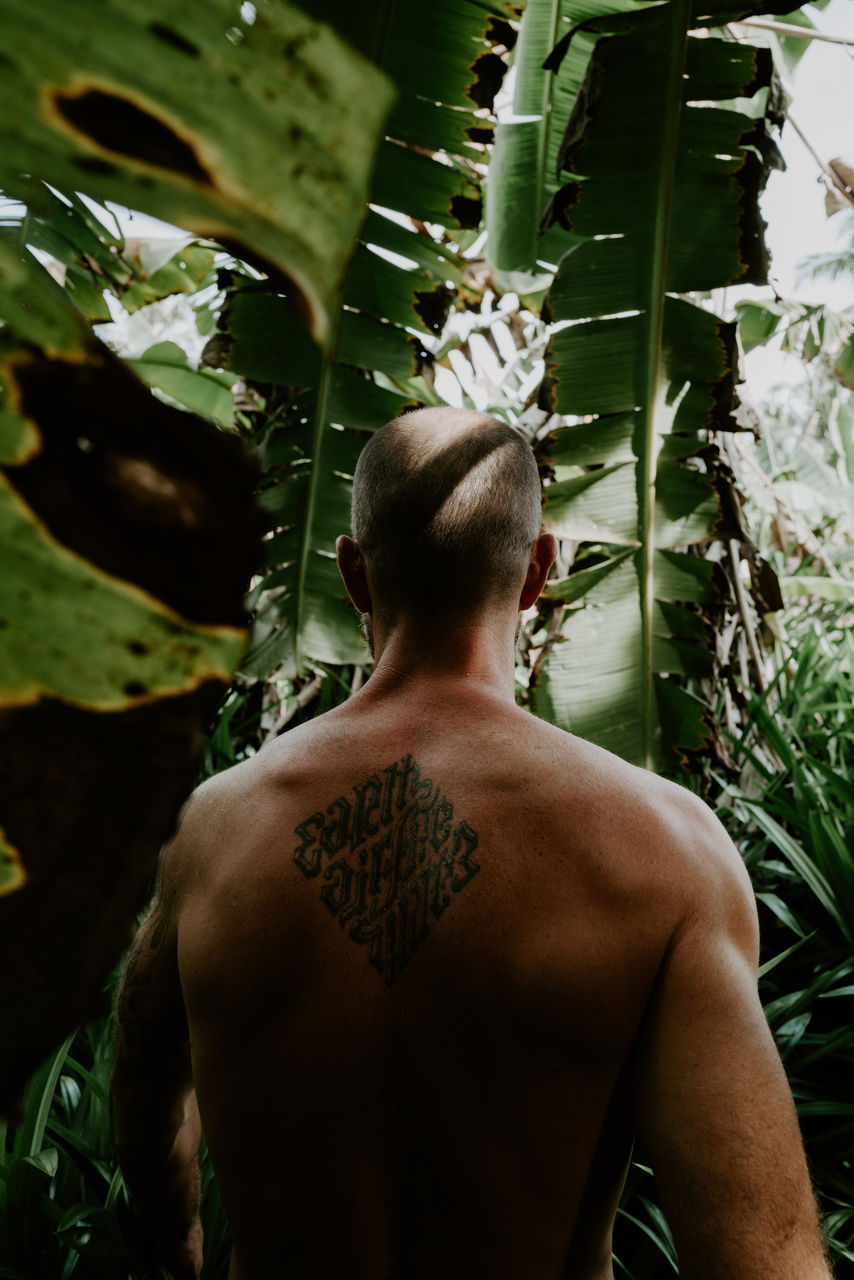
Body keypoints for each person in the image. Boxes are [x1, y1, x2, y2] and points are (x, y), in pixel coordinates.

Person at [111, 407, 832, 1280]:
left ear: (352, 574)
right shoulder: (665, 853)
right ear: (538, 570)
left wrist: (181, 1243)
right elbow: (760, 1263)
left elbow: (146, 1105)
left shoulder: (212, 834)